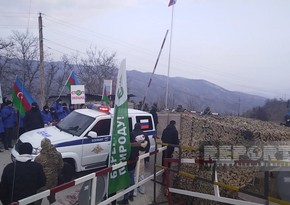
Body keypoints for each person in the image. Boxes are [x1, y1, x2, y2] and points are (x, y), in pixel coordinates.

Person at [117, 123, 148, 205]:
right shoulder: (144, 135)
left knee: (128, 178)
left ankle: (126, 198)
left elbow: (127, 146)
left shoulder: (131, 134)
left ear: (134, 127)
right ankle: (132, 194)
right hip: (138, 157)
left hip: (130, 158)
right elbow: (146, 146)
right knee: (136, 175)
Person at [35, 138, 63, 205]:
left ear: (42, 146)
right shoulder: (58, 154)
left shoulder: (38, 158)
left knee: (37, 201)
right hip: (53, 181)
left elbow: (36, 172)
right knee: (52, 199)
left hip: (41, 184)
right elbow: (61, 166)